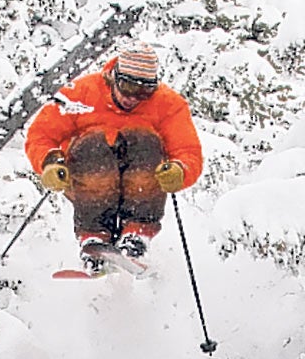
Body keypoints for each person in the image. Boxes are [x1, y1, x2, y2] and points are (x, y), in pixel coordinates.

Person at [25, 41, 203, 272]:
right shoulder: (80, 94)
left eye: (145, 91)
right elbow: (41, 135)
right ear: (114, 77)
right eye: (128, 87)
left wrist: (180, 171)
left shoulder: (168, 105)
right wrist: (49, 163)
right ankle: (94, 237)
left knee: (145, 140)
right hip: (90, 177)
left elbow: (188, 151)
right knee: (94, 144)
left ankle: (136, 234)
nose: (134, 98)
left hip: (142, 178)